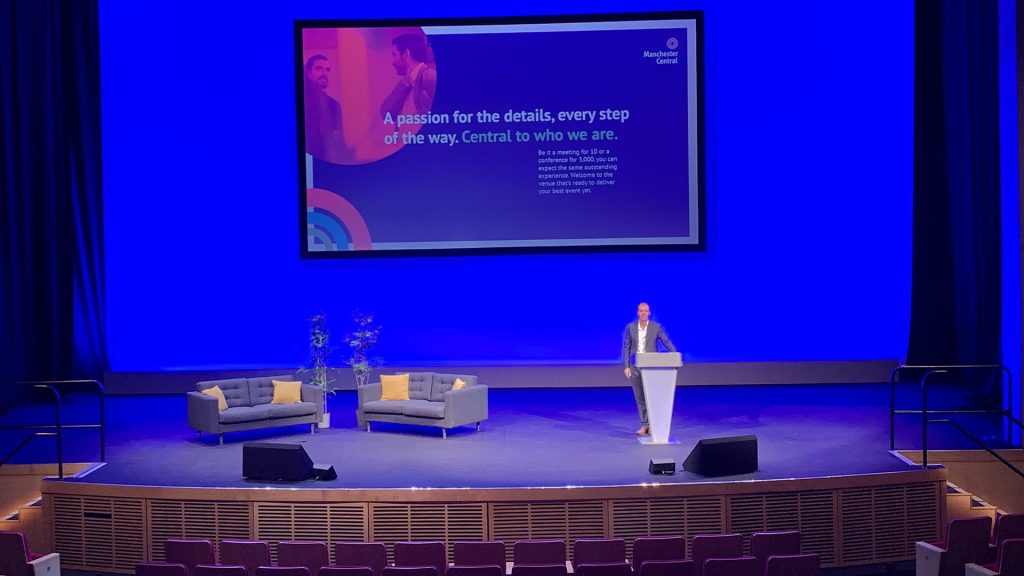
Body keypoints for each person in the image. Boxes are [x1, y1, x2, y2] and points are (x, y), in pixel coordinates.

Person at [622, 302, 677, 436]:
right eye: (641, 311)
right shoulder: (630, 327)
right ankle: (645, 425)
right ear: (637, 312)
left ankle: (655, 425)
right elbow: (626, 348)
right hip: (635, 366)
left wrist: (675, 355)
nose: (643, 313)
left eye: (646, 311)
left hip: (651, 367)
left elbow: (666, 341)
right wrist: (627, 366)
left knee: (653, 397)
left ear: (649, 313)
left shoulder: (656, 327)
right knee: (640, 397)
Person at [380, 33, 436, 120]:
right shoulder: (407, 82)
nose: (393, 62)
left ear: (406, 54)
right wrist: (405, 82)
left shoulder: (430, 76)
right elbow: (386, 113)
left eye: (394, 55)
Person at [303, 54, 344, 162]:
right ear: (308, 73)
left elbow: (338, 140)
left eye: (327, 70)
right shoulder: (302, 102)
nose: (324, 73)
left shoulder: (334, 105)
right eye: (319, 69)